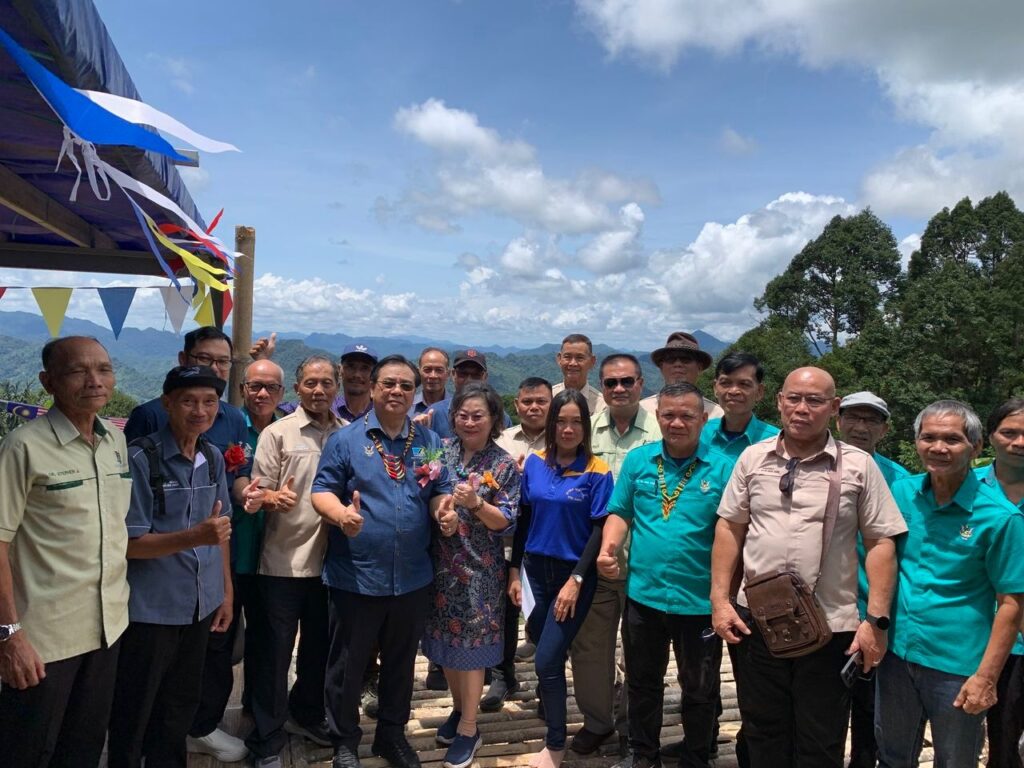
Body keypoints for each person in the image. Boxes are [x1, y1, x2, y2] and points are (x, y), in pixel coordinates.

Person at [711, 366, 906, 767]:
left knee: (821, 735)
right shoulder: (753, 458)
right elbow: (730, 528)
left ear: (833, 408)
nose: (802, 408)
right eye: (794, 399)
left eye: (815, 400)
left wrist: (876, 622)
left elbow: (880, 543)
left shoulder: (858, 466)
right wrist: (720, 601)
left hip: (831, 624)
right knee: (763, 728)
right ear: (779, 401)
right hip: (758, 620)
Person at [311, 354, 456, 768]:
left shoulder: (430, 441)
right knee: (347, 665)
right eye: (389, 383)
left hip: (412, 576)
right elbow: (321, 491)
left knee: (400, 663)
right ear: (373, 388)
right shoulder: (344, 440)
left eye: (406, 386)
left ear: (414, 394)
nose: (397, 391)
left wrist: (444, 512)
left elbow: (441, 489)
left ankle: (391, 736)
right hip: (357, 575)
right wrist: (342, 515)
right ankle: (344, 741)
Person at [0, 337, 131, 768]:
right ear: (48, 382)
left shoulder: (115, 441)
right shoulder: (23, 447)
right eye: (78, 370)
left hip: (107, 629)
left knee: (83, 748)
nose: (95, 380)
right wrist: (9, 635)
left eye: (104, 369)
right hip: (43, 640)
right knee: (27, 750)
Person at [124, 326, 249, 762]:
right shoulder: (141, 459)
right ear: (167, 404)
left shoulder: (211, 457)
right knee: (136, 707)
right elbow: (129, 544)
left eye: (209, 402)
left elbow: (221, 532)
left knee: (180, 704)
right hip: (152, 609)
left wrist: (226, 593)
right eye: (188, 401)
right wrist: (193, 537)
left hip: (202, 604)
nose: (200, 411)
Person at [877, 400, 1024, 767]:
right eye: (928, 438)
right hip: (897, 654)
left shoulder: (1000, 517)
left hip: (958, 666)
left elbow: (1012, 603)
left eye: (952, 439)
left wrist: (986, 677)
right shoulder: (902, 493)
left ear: (975, 446)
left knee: (956, 760)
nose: (938, 448)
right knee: (893, 756)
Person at [598, 383, 733, 768]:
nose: (677, 423)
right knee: (643, 683)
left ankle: (697, 755)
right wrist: (609, 548)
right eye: (669, 415)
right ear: (658, 417)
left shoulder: (723, 468)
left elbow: (734, 530)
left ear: (703, 419)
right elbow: (620, 512)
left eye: (687, 416)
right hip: (644, 596)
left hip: (699, 601)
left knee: (700, 687)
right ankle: (644, 755)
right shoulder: (639, 461)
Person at [242, 356, 348, 766]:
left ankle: (305, 714)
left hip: (332, 566)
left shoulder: (349, 434)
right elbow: (257, 492)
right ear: (298, 389)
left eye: (326, 383)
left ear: (337, 387)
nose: (319, 390)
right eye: (311, 383)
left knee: (319, 652)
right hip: (283, 564)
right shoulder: (278, 434)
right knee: (273, 656)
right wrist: (272, 497)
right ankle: (266, 738)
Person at [509, 389, 614, 768]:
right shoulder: (535, 464)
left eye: (575, 422)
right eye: (561, 421)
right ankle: (550, 706)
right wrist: (514, 571)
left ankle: (555, 742)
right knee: (541, 644)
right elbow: (524, 520)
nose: (568, 429)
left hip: (573, 576)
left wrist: (578, 579)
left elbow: (599, 529)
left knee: (547, 661)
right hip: (535, 572)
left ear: (585, 427)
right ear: (551, 425)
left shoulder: (598, 471)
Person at [424, 383, 521, 768]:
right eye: (462, 415)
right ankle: (458, 708)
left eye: (478, 415)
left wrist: (477, 503)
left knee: (472, 648)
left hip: (480, 570)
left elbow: (506, 521)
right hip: (439, 566)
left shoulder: (503, 463)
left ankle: (469, 727)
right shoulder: (440, 451)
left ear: (494, 419)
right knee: (445, 643)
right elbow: (425, 491)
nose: (469, 422)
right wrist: (441, 511)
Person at [570, 354, 662, 756]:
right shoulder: (586, 431)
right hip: (597, 562)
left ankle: (633, 726)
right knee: (590, 650)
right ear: (602, 387)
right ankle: (598, 721)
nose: (619, 389)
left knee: (641, 654)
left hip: (646, 564)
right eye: (611, 383)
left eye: (627, 381)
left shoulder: (662, 431)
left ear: (641, 383)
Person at [836, 390, 910, 768]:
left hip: (872, 611)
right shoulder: (813, 466)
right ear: (838, 421)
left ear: (885, 429)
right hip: (823, 610)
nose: (860, 427)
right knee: (823, 707)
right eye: (853, 417)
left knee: (868, 707)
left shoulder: (900, 481)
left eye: (871, 420)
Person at [484, 376, 553, 706]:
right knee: (507, 609)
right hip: (508, 537)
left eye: (541, 401)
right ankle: (503, 674)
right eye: (527, 401)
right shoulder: (502, 441)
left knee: (545, 612)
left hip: (548, 536)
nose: (534, 407)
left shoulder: (565, 438)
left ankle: (548, 679)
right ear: (517, 404)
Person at [978, 399, 1024, 768]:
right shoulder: (966, 487)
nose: (1019, 442)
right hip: (985, 636)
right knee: (1001, 741)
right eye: (1009, 432)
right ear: (990, 436)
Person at [699, 352, 778, 461]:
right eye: (725, 383)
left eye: (744, 384)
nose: (733, 391)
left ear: (759, 391)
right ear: (715, 388)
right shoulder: (701, 432)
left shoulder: (775, 442)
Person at [421, 349, 511, 441]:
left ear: (485, 377)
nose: (469, 380)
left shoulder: (501, 418)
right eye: (463, 374)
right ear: (453, 374)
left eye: (476, 375)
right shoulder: (434, 414)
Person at [279, 343, 378, 422]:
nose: (357, 374)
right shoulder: (325, 405)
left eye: (365, 368)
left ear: (374, 374)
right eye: (351, 366)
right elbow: (276, 407)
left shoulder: (380, 411)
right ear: (340, 370)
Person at [640, 332, 723, 419]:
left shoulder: (718, 415)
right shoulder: (642, 410)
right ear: (661, 367)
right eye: (671, 359)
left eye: (685, 359)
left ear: (699, 367)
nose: (678, 364)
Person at [551, 334, 606, 416]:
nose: (573, 363)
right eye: (567, 357)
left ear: (592, 361)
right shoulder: (548, 398)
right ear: (559, 359)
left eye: (580, 357)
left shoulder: (602, 406)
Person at [412, 347, 450, 416]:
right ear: (418, 373)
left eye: (439, 370)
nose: (433, 376)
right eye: (427, 370)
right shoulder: (407, 407)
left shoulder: (458, 407)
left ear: (448, 374)